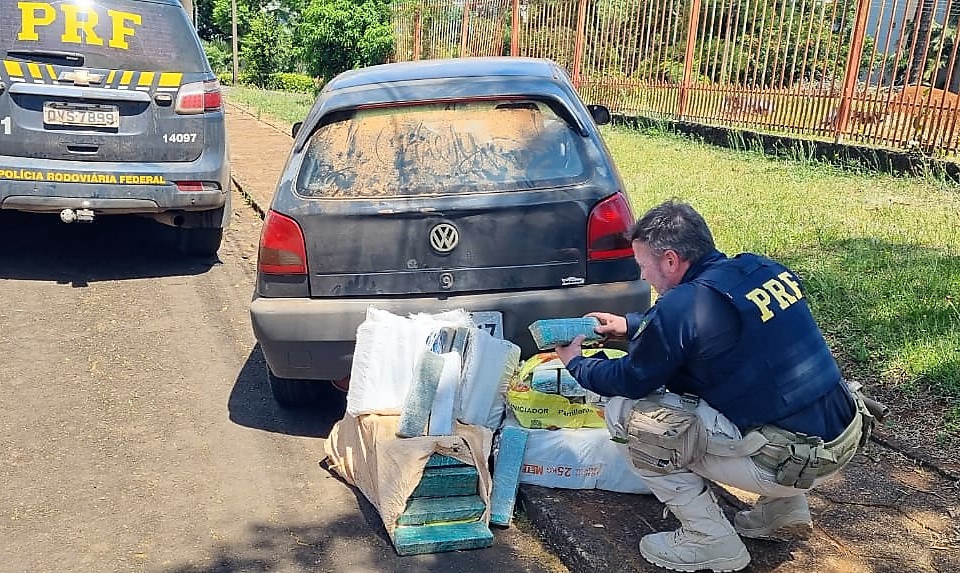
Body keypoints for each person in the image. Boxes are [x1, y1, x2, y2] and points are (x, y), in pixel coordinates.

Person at [555, 199, 871, 573]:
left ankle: (708, 539)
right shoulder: (761, 269)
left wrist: (576, 362)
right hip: (841, 438)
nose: (644, 277)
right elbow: (707, 327)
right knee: (776, 385)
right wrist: (630, 325)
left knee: (625, 414)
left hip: (785, 462)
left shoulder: (681, 307)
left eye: (643, 265)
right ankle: (783, 510)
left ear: (670, 260)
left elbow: (630, 379)